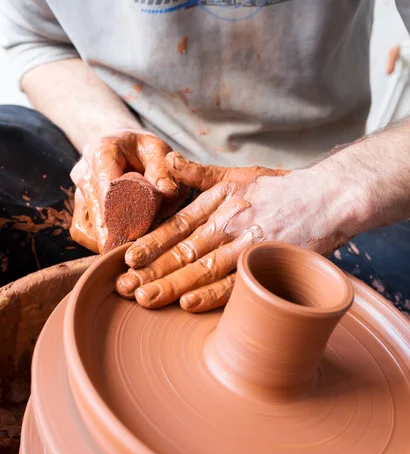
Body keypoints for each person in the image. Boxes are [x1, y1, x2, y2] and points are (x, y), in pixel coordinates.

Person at [0, 1, 409, 316]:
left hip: (318, 169)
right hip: (135, 141)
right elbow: (38, 39)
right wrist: (106, 132)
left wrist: (340, 190)